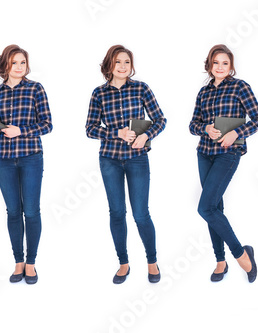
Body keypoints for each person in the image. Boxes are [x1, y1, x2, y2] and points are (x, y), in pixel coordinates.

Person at [86, 45, 166, 284]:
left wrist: (146, 136)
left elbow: (160, 119)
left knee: (141, 214)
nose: (123, 66)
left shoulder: (141, 88)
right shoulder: (99, 94)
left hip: (137, 159)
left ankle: (152, 261)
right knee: (117, 212)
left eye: (127, 63)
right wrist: (115, 134)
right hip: (109, 159)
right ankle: (123, 263)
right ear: (109, 64)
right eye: (118, 62)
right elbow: (90, 129)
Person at [189, 44, 258, 283]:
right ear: (209, 66)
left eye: (225, 63)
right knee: (214, 209)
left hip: (228, 153)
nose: (220, 67)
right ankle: (220, 262)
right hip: (204, 153)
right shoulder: (203, 92)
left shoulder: (240, 87)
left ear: (231, 66)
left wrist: (236, 133)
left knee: (205, 208)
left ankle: (241, 254)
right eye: (216, 63)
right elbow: (192, 125)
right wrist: (206, 128)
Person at [0, 44, 52, 285]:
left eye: (23, 62)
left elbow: (47, 125)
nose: (20, 67)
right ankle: (18, 262)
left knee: (31, 210)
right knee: (13, 211)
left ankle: (31, 263)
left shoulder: (35, 89)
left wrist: (21, 130)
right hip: (3, 159)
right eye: (15, 63)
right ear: (5, 66)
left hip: (31, 157)